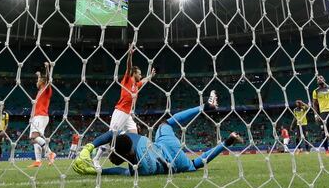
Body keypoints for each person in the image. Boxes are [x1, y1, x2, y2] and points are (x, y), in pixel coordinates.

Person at [74, 90, 240, 176]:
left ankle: (228, 141)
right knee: (166, 123)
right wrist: (88, 147)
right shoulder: (136, 139)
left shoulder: (137, 171)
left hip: (175, 163)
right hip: (166, 144)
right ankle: (205, 106)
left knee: (195, 164)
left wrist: (100, 171)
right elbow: (112, 134)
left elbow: (118, 171)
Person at [93, 43, 155, 162]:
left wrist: (150, 75)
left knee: (133, 133)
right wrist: (129, 55)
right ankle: (96, 158)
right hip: (120, 111)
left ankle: (133, 157)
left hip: (128, 115)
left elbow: (145, 80)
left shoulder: (136, 85)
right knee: (112, 135)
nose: (140, 75)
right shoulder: (127, 80)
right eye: (139, 73)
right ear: (134, 73)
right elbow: (128, 66)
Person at [29, 62, 55, 168]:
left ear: (42, 82)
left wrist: (47, 68)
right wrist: (39, 75)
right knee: (35, 140)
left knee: (34, 137)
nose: (37, 81)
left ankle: (50, 153)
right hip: (36, 117)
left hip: (41, 116)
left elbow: (49, 80)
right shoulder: (39, 91)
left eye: (39, 80)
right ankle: (38, 161)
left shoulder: (46, 89)